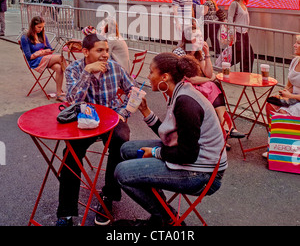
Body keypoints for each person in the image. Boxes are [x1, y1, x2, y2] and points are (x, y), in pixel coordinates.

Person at [114, 53, 228, 227]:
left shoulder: (186, 102)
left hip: (203, 173)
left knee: (122, 172)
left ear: (165, 77)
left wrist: (154, 153)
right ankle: (160, 211)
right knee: (126, 149)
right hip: (192, 157)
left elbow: (187, 154)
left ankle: (167, 219)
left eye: (151, 72)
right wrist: (145, 111)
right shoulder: (179, 91)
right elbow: (170, 135)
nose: (149, 76)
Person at [56, 32, 134, 226]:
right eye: (100, 50)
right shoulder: (74, 69)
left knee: (121, 141)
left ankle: (109, 197)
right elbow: (73, 100)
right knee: (70, 153)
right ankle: (65, 212)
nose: (105, 54)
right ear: (85, 52)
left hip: (113, 117)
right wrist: (87, 73)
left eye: (106, 50)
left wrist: (124, 112)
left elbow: (134, 91)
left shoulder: (116, 68)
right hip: (84, 118)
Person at [173, 26, 244, 139]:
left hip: (194, 85)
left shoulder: (197, 51)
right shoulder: (180, 52)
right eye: (196, 36)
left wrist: (206, 54)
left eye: (201, 36)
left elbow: (208, 73)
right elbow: (190, 78)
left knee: (215, 85)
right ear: (187, 39)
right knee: (212, 84)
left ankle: (225, 128)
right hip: (183, 88)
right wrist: (209, 79)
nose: (201, 38)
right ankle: (223, 131)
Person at [20, 16, 65, 100]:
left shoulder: (42, 35)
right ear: (33, 26)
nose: (41, 29)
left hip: (45, 58)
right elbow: (29, 57)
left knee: (59, 68)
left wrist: (45, 52)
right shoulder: (25, 37)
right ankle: (73, 79)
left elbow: (49, 49)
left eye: (42, 27)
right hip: (35, 61)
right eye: (39, 27)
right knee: (60, 58)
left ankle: (59, 94)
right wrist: (42, 52)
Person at [266, 35, 300, 118]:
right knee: (270, 105)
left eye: (298, 43)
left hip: (296, 99)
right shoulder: (295, 61)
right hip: (293, 98)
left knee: (282, 113)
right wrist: (285, 92)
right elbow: (289, 84)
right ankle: (273, 130)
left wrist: (290, 96)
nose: (294, 45)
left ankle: (287, 130)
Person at [227, 0, 254, 73]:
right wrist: (231, 32)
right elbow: (230, 18)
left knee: (248, 55)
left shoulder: (244, 5)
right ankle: (224, 66)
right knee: (238, 54)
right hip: (237, 32)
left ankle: (245, 73)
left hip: (244, 33)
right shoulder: (234, 4)